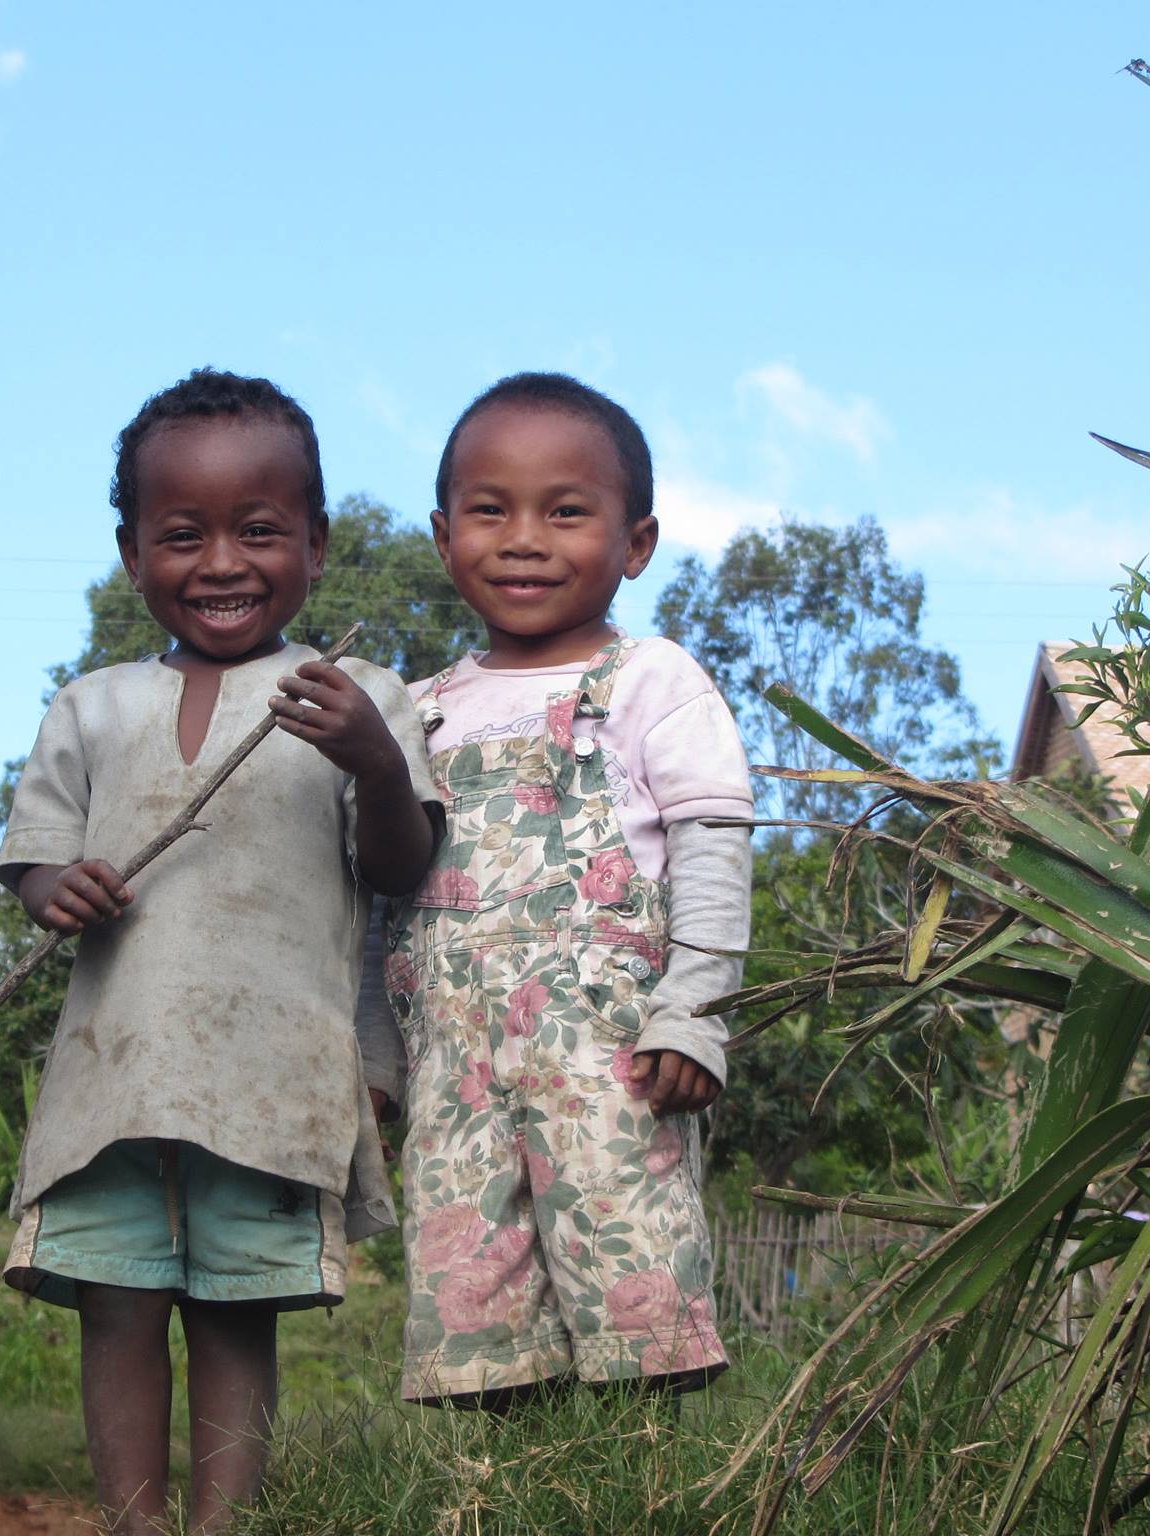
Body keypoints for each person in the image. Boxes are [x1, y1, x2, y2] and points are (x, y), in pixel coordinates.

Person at [0, 368, 440, 1534]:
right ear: (133, 553)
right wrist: (56, 888)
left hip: (271, 1081)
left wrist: (375, 765)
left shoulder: (362, 697)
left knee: (235, 1317)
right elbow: (32, 862)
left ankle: (219, 1529)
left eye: (260, 531)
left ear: (317, 544)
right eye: (182, 535)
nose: (223, 563)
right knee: (117, 1308)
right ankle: (133, 1526)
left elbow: (396, 869)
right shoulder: (89, 706)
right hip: (114, 1081)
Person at [384, 371, 753, 1406]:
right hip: (449, 1077)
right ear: (442, 532)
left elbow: (714, 852)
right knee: (474, 1326)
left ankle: (635, 1494)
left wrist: (694, 1016)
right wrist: (377, 1054)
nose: (523, 538)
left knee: (636, 1313)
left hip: (612, 1071)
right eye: (488, 509)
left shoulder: (653, 682)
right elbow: (378, 899)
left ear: (634, 544)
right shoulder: (416, 711)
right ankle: (503, 1499)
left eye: (566, 511)